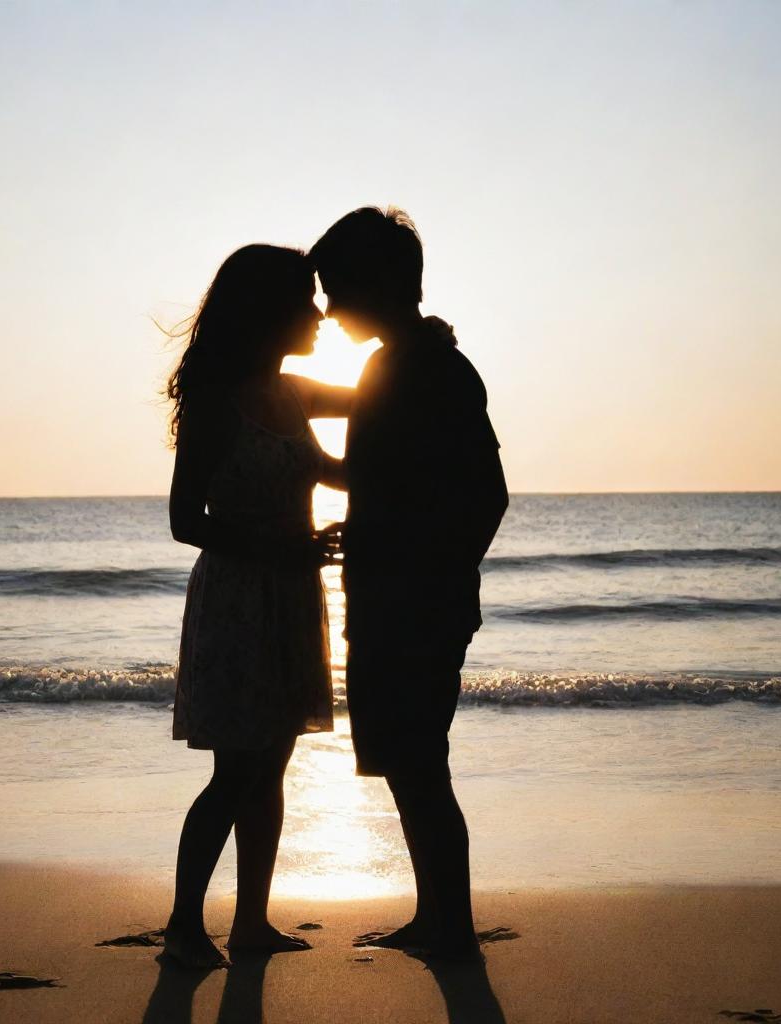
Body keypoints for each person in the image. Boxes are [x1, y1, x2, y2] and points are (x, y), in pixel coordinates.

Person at [310, 207, 509, 961]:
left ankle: (449, 926)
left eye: (336, 291)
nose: (327, 309)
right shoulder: (404, 364)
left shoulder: (425, 369)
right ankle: (439, 919)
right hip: (403, 598)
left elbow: (486, 494)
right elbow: (378, 483)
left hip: (412, 606)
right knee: (414, 764)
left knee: (420, 764)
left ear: (379, 284)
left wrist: (431, 570)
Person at [163, 243, 353, 969]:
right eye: (304, 299)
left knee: (272, 765)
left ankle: (251, 922)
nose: (316, 313)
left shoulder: (299, 392)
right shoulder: (219, 400)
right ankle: (183, 925)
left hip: (293, 594)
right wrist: (280, 549)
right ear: (268, 311)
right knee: (235, 771)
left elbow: (364, 432)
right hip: (242, 598)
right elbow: (185, 520)